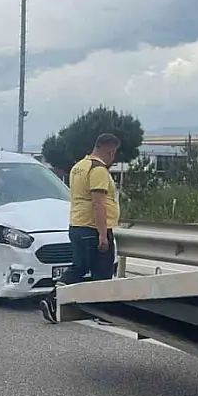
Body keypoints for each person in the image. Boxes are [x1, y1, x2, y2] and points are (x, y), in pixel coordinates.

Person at [40, 133, 122, 324]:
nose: (114, 157)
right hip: (93, 227)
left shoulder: (79, 166)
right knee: (101, 272)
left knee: (79, 267)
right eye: (114, 153)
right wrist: (103, 235)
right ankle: (101, 313)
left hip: (77, 225)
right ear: (109, 150)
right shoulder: (98, 170)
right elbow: (98, 204)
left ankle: (54, 299)